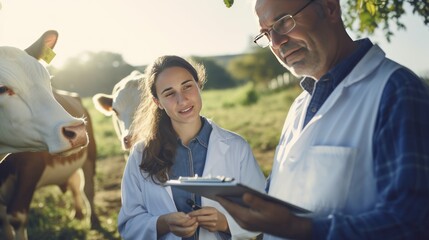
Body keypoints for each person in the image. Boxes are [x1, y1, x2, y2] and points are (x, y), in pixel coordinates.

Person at [216, 0, 429, 239]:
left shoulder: (396, 91)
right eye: (266, 34)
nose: (276, 43)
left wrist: (296, 227)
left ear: (330, 8)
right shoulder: (298, 106)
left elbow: (412, 223)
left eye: (283, 22)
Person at [117, 55, 266, 240]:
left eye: (187, 86)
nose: (182, 99)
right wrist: (162, 223)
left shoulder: (237, 147)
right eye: (169, 93)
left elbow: (264, 215)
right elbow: (128, 224)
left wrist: (225, 222)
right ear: (158, 103)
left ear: (198, 85)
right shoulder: (140, 154)